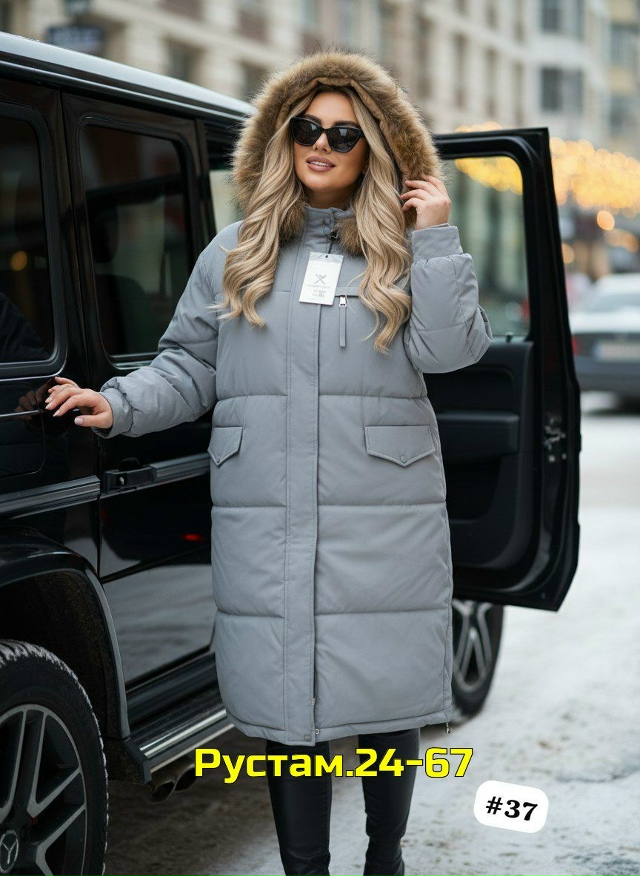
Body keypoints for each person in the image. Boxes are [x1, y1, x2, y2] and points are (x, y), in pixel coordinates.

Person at [46, 51, 492, 876]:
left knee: (385, 689)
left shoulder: (405, 251)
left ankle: (385, 859)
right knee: (290, 708)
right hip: (269, 510)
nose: (321, 143)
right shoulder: (235, 251)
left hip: (381, 512)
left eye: (344, 134)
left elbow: (452, 351)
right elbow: (190, 365)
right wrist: (118, 403)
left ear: (375, 149)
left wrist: (434, 236)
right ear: (283, 138)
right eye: (306, 127)